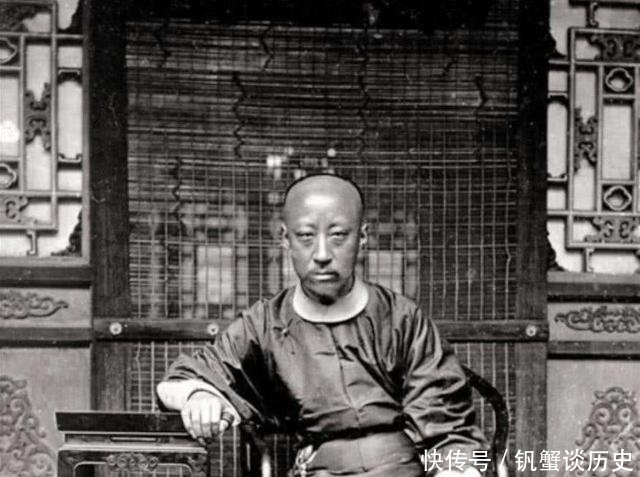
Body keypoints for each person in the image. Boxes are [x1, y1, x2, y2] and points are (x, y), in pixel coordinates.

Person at [157, 173, 488, 477]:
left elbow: (449, 430)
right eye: (305, 236)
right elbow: (177, 382)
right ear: (285, 239)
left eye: (338, 235)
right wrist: (199, 395)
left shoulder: (402, 319)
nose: (322, 254)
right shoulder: (265, 325)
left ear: (362, 237)